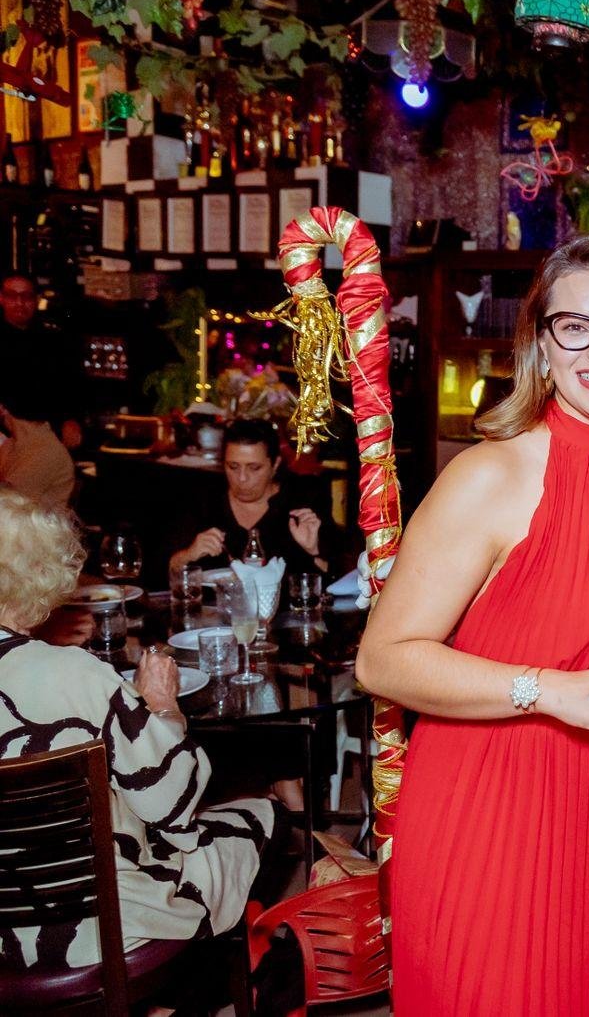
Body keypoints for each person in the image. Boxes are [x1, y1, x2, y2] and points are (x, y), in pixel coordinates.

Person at [357, 233, 589, 1014]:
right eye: (576, 326)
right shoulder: (493, 473)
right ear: (541, 344)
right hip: (493, 814)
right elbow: (383, 660)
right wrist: (550, 690)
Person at [0, 488, 279, 970]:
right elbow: (172, 805)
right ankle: (212, 985)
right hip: (94, 926)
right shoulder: (74, 675)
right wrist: (162, 706)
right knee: (266, 818)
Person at [166, 418, 341, 578]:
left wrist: (314, 550)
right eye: (233, 467)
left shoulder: (302, 500)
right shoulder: (205, 500)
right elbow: (164, 573)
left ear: (275, 464)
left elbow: (340, 579)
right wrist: (189, 554)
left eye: (254, 468)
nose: (242, 478)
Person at [0, 273, 84, 449]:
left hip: (49, 432)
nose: (19, 303)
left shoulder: (53, 340)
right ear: (1, 298)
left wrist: (71, 420)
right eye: (12, 296)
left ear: (37, 299)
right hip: (7, 436)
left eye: (26, 296)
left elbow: (71, 387)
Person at [0, 402, 74, 508]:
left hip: (27, 517)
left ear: (2, 408)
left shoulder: (48, 451)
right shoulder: (10, 444)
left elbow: (9, 501)